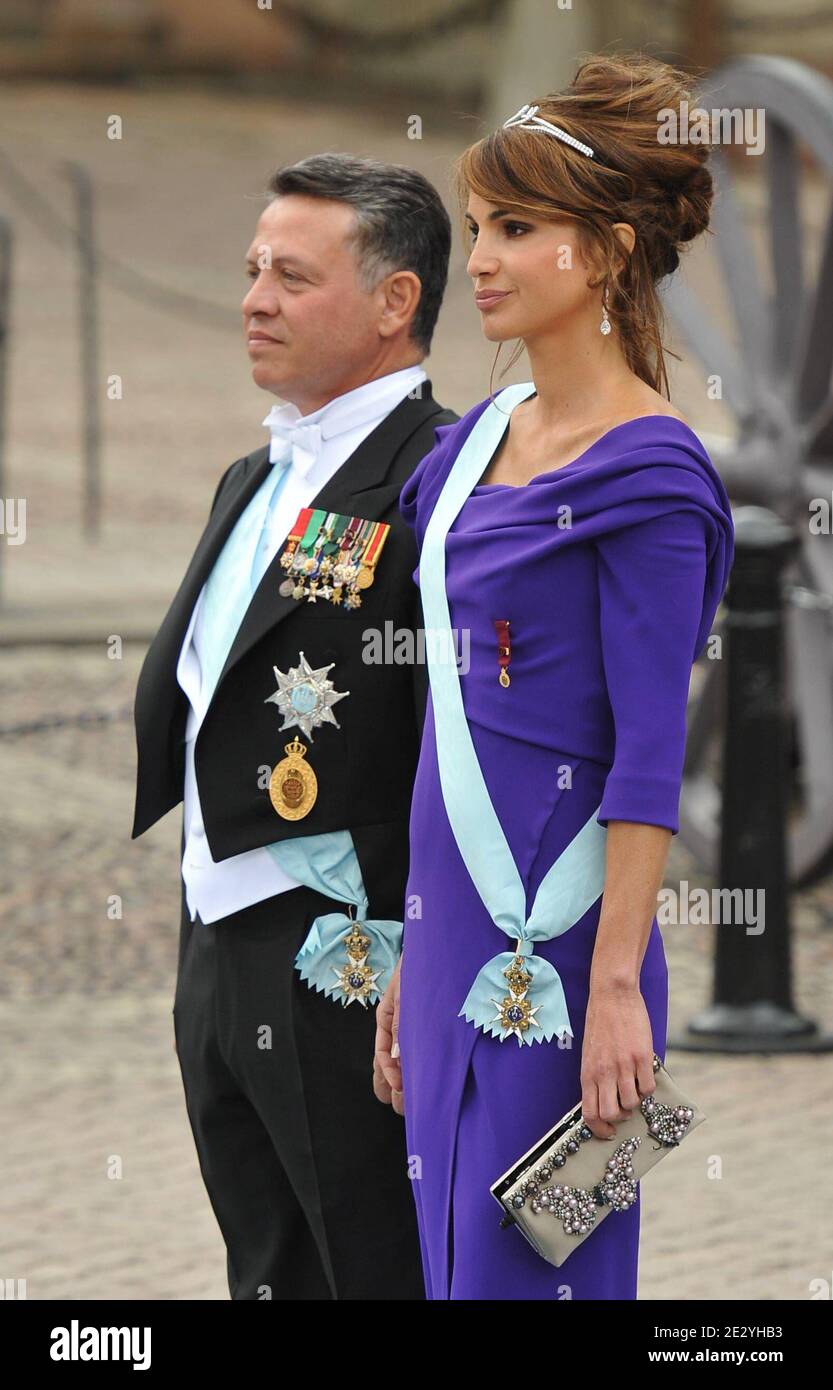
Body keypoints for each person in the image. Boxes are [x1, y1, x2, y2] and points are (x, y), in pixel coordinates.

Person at [373, 53, 735, 1299]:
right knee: (443, 1267)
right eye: (477, 225)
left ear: (606, 249)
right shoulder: (468, 444)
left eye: (514, 229)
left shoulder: (650, 481)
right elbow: (444, 720)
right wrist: (408, 955)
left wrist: (620, 986)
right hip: (450, 925)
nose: (478, 256)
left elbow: (647, 757)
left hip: (572, 948)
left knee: (529, 1279)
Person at [131, 152, 458, 1299]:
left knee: (367, 1269)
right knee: (264, 1267)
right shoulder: (253, 473)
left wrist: (429, 949)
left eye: (291, 275)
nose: (253, 299)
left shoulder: (439, 479)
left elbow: (452, 738)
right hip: (217, 938)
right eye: (251, 269)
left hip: (347, 957)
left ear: (393, 301)